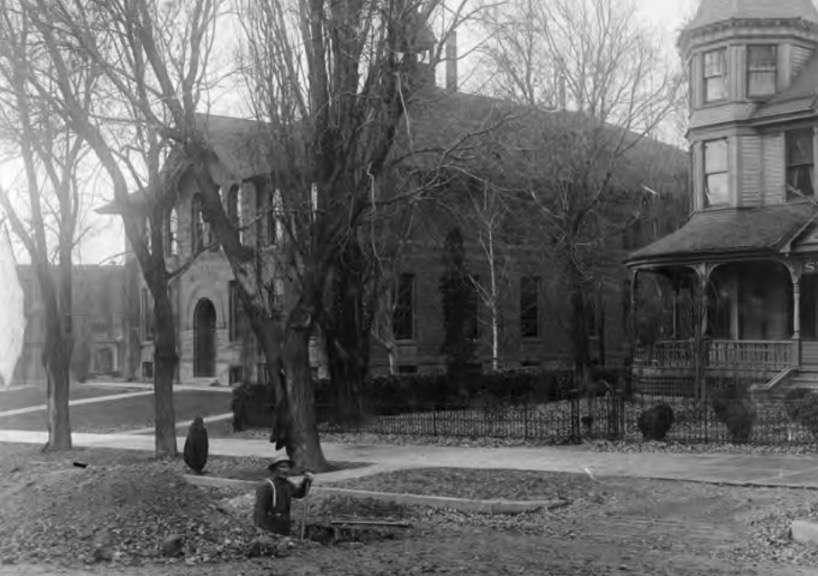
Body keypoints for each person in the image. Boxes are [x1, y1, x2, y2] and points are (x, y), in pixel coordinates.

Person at [253, 453, 314, 535]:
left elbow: (299, 494)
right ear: (275, 469)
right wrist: (260, 529)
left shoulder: (287, 484)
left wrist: (306, 481)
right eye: (282, 467)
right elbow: (260, 510)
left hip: (284, 525)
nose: (285, 470)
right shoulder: (267, 486)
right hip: (270, 526)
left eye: (288, 467)